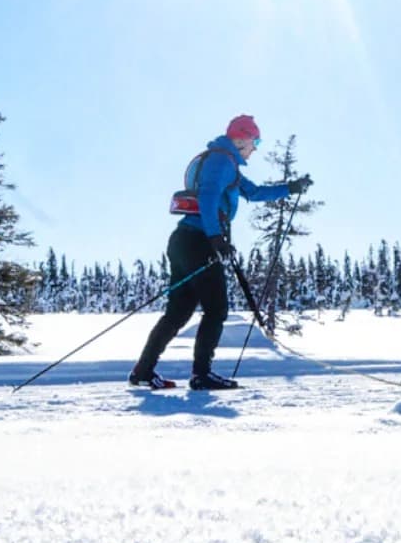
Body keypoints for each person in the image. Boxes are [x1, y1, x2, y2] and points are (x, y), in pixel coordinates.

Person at [129, 114, 313, 390]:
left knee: (178, 313)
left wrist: (291, 188)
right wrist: (215, 236)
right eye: (255, 140)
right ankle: (201, 374)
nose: (256, 147)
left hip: (185, 241)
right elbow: (208, 196)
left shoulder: (227, 165)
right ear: (240, 139)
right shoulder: (221, 161)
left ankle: (143, 371)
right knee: (216, 309)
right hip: (199, 241)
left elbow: (254, 193)